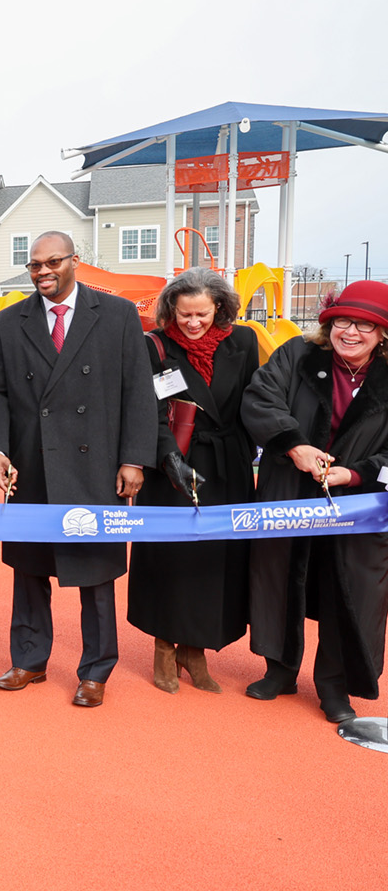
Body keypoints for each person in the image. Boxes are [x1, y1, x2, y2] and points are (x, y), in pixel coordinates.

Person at [0, 231, 155, 708]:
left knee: (95, 572)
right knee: (29, 570)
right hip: (30, 468)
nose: (42, 272)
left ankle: (96, 670)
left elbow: (139, 390)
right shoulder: (8, 322)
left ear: (75, 261)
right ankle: (29, 659)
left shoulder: (116, 315)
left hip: (95, 466)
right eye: (34, 264)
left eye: (52, 262)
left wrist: (134, 458)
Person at [242, 281, 388, 725]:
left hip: (360, 504)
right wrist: (294, 445)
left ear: (382, 334)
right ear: (329, 323)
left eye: (366, 325)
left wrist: (357, 472)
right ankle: (279, 670)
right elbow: (259, 399)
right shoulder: (296, 354)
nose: (352, 332)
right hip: (290, 489)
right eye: (343, 320)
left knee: (350, 591)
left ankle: (334, 685)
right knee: (279, 577)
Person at [126, 269, 258, 693]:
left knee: (213, 561)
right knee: (172, 558)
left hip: (226, 465)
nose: (193, 323)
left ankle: (194, 648)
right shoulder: (155, 346)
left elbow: (251, 404)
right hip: (173, 466)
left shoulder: (244, 342)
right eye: (184, 315)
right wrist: (167, 460)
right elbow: (146, 410)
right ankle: (164, 645)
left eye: (201, 313)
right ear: (171, 310)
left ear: (219, 307)